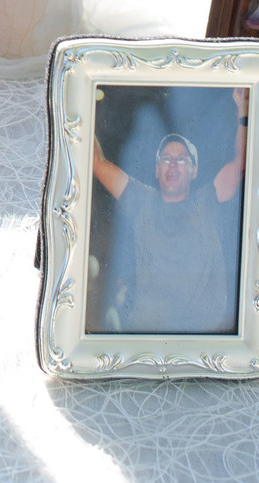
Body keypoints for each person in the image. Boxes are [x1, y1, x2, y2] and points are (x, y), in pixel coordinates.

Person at [91, 105, 246, 334]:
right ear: (157, 169)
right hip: (146, 330)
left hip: (203, 335)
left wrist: (243, 109)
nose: (172, 164)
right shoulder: (141, 200)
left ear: (194, 171)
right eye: (166, 159)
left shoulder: (207, 201)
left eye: (182, 160)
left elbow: (241, 162)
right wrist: (80, 104)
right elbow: (97, 163)